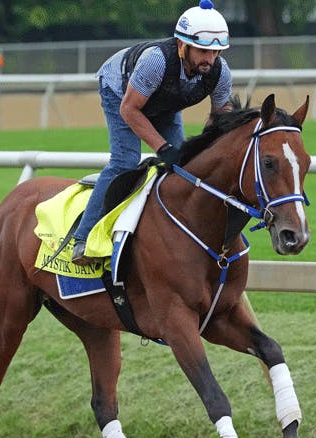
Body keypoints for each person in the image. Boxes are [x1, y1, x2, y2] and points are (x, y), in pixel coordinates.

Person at [71, 0, 233, 265]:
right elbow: (130, 110)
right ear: (183, 45)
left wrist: (202, 151)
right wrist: (162, 147)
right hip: (121, 93)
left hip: (162, 101)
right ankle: (83, 238)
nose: (210, 59)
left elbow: (220, 118)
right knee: (125, 161)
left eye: (216, 52)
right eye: (203, 51)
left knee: (184, 166)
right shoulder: (156, 61)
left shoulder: (220, 72)